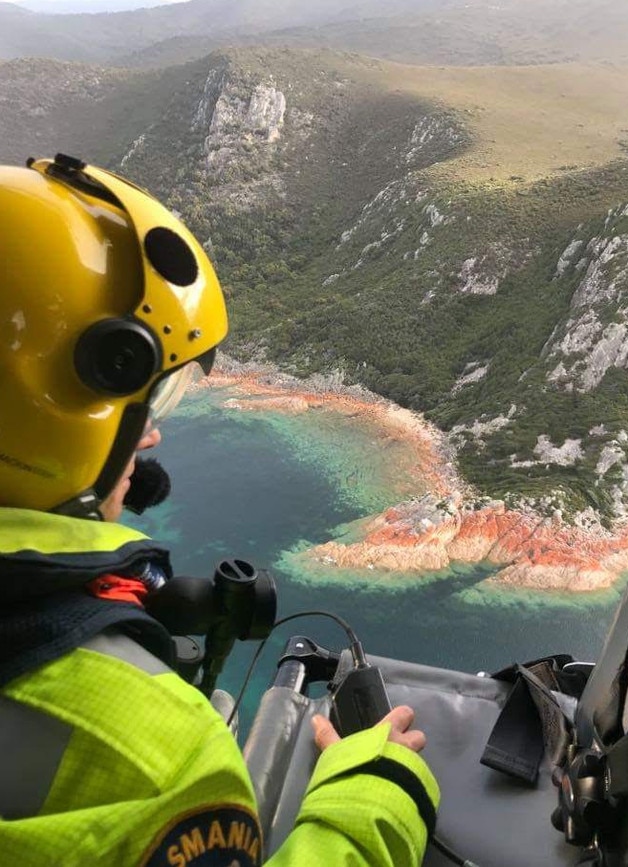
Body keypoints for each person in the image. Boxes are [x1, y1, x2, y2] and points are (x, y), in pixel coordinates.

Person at [0, 154, 440, 866]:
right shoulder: (157, 758)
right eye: (152, 401)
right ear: (52, 407)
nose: (152, 434)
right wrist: (366, 806)